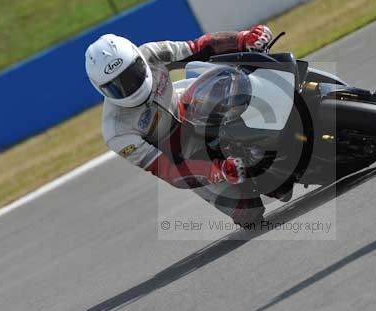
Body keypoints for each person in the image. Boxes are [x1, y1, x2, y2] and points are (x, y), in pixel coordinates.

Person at [85, 25, 273, 223]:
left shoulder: (151, 52)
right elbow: (168, 171)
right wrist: (218, 170)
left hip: (192, 107)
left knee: (236, 82)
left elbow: (200, 46)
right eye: (118, 86)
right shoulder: (116, 131)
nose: (131, 85)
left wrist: (242, 39)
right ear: (101, 89)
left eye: (133, 73)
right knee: (248, 213)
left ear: (138, 59)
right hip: (184, 157)